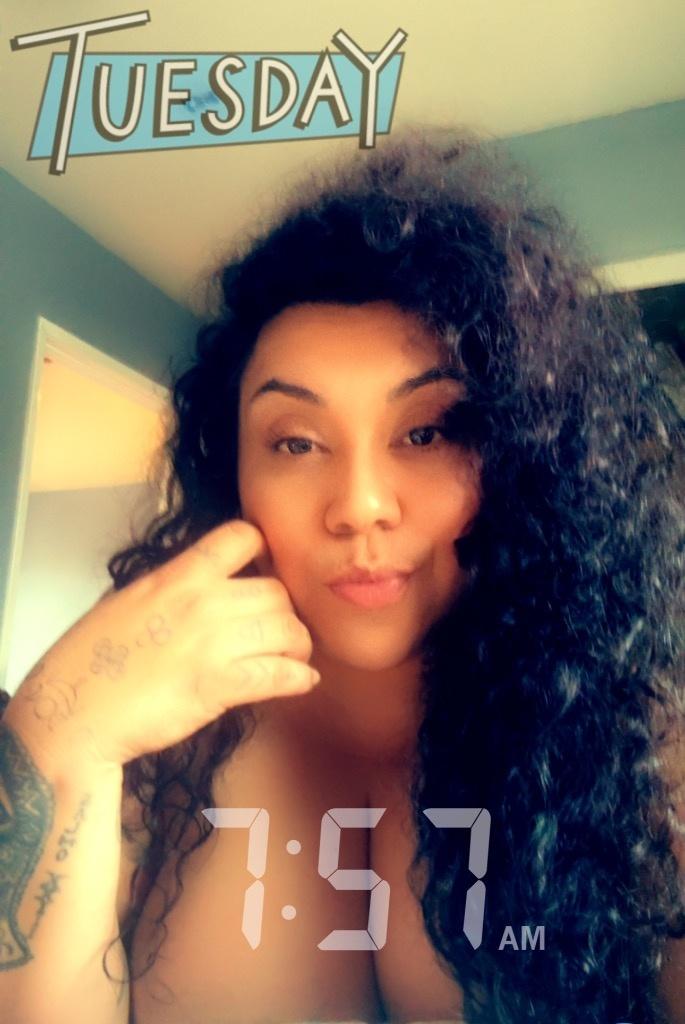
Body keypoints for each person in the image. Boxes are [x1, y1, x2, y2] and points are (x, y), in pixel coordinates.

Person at [1, 126, 684, 1024]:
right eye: (295, 442)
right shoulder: (147, 757)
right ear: (234, 474)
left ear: (521, 457)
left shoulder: (640, 759)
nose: (359, 505)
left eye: (425, 432)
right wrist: (54, 735)